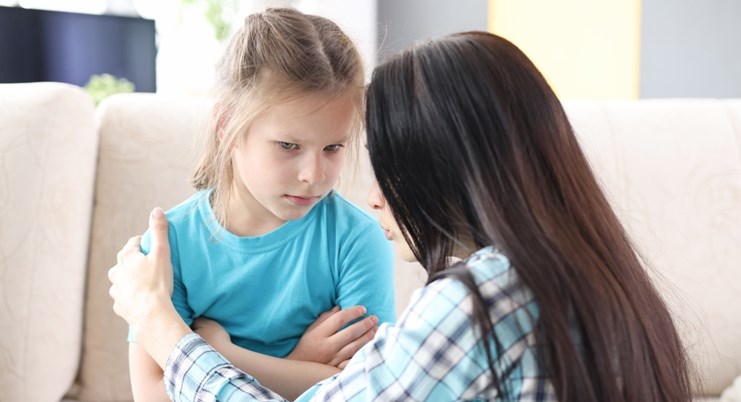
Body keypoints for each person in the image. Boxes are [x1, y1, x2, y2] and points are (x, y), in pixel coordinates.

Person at [109, 31, 694, 401]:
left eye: (375, 163)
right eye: (289, 146)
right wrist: (296, 368)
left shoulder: (479, 304)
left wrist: (169, 330)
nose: (371, 195)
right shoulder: (598, 277)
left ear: (443, 169)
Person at [124, 8, 396, 402]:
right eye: (289, 146)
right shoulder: (171, 245)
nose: (314, 174)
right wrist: (302, 363)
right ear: (227, 127)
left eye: (333, 147)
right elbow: (153, 394)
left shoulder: (356, 240)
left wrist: (225, 354)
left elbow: (364, 390)